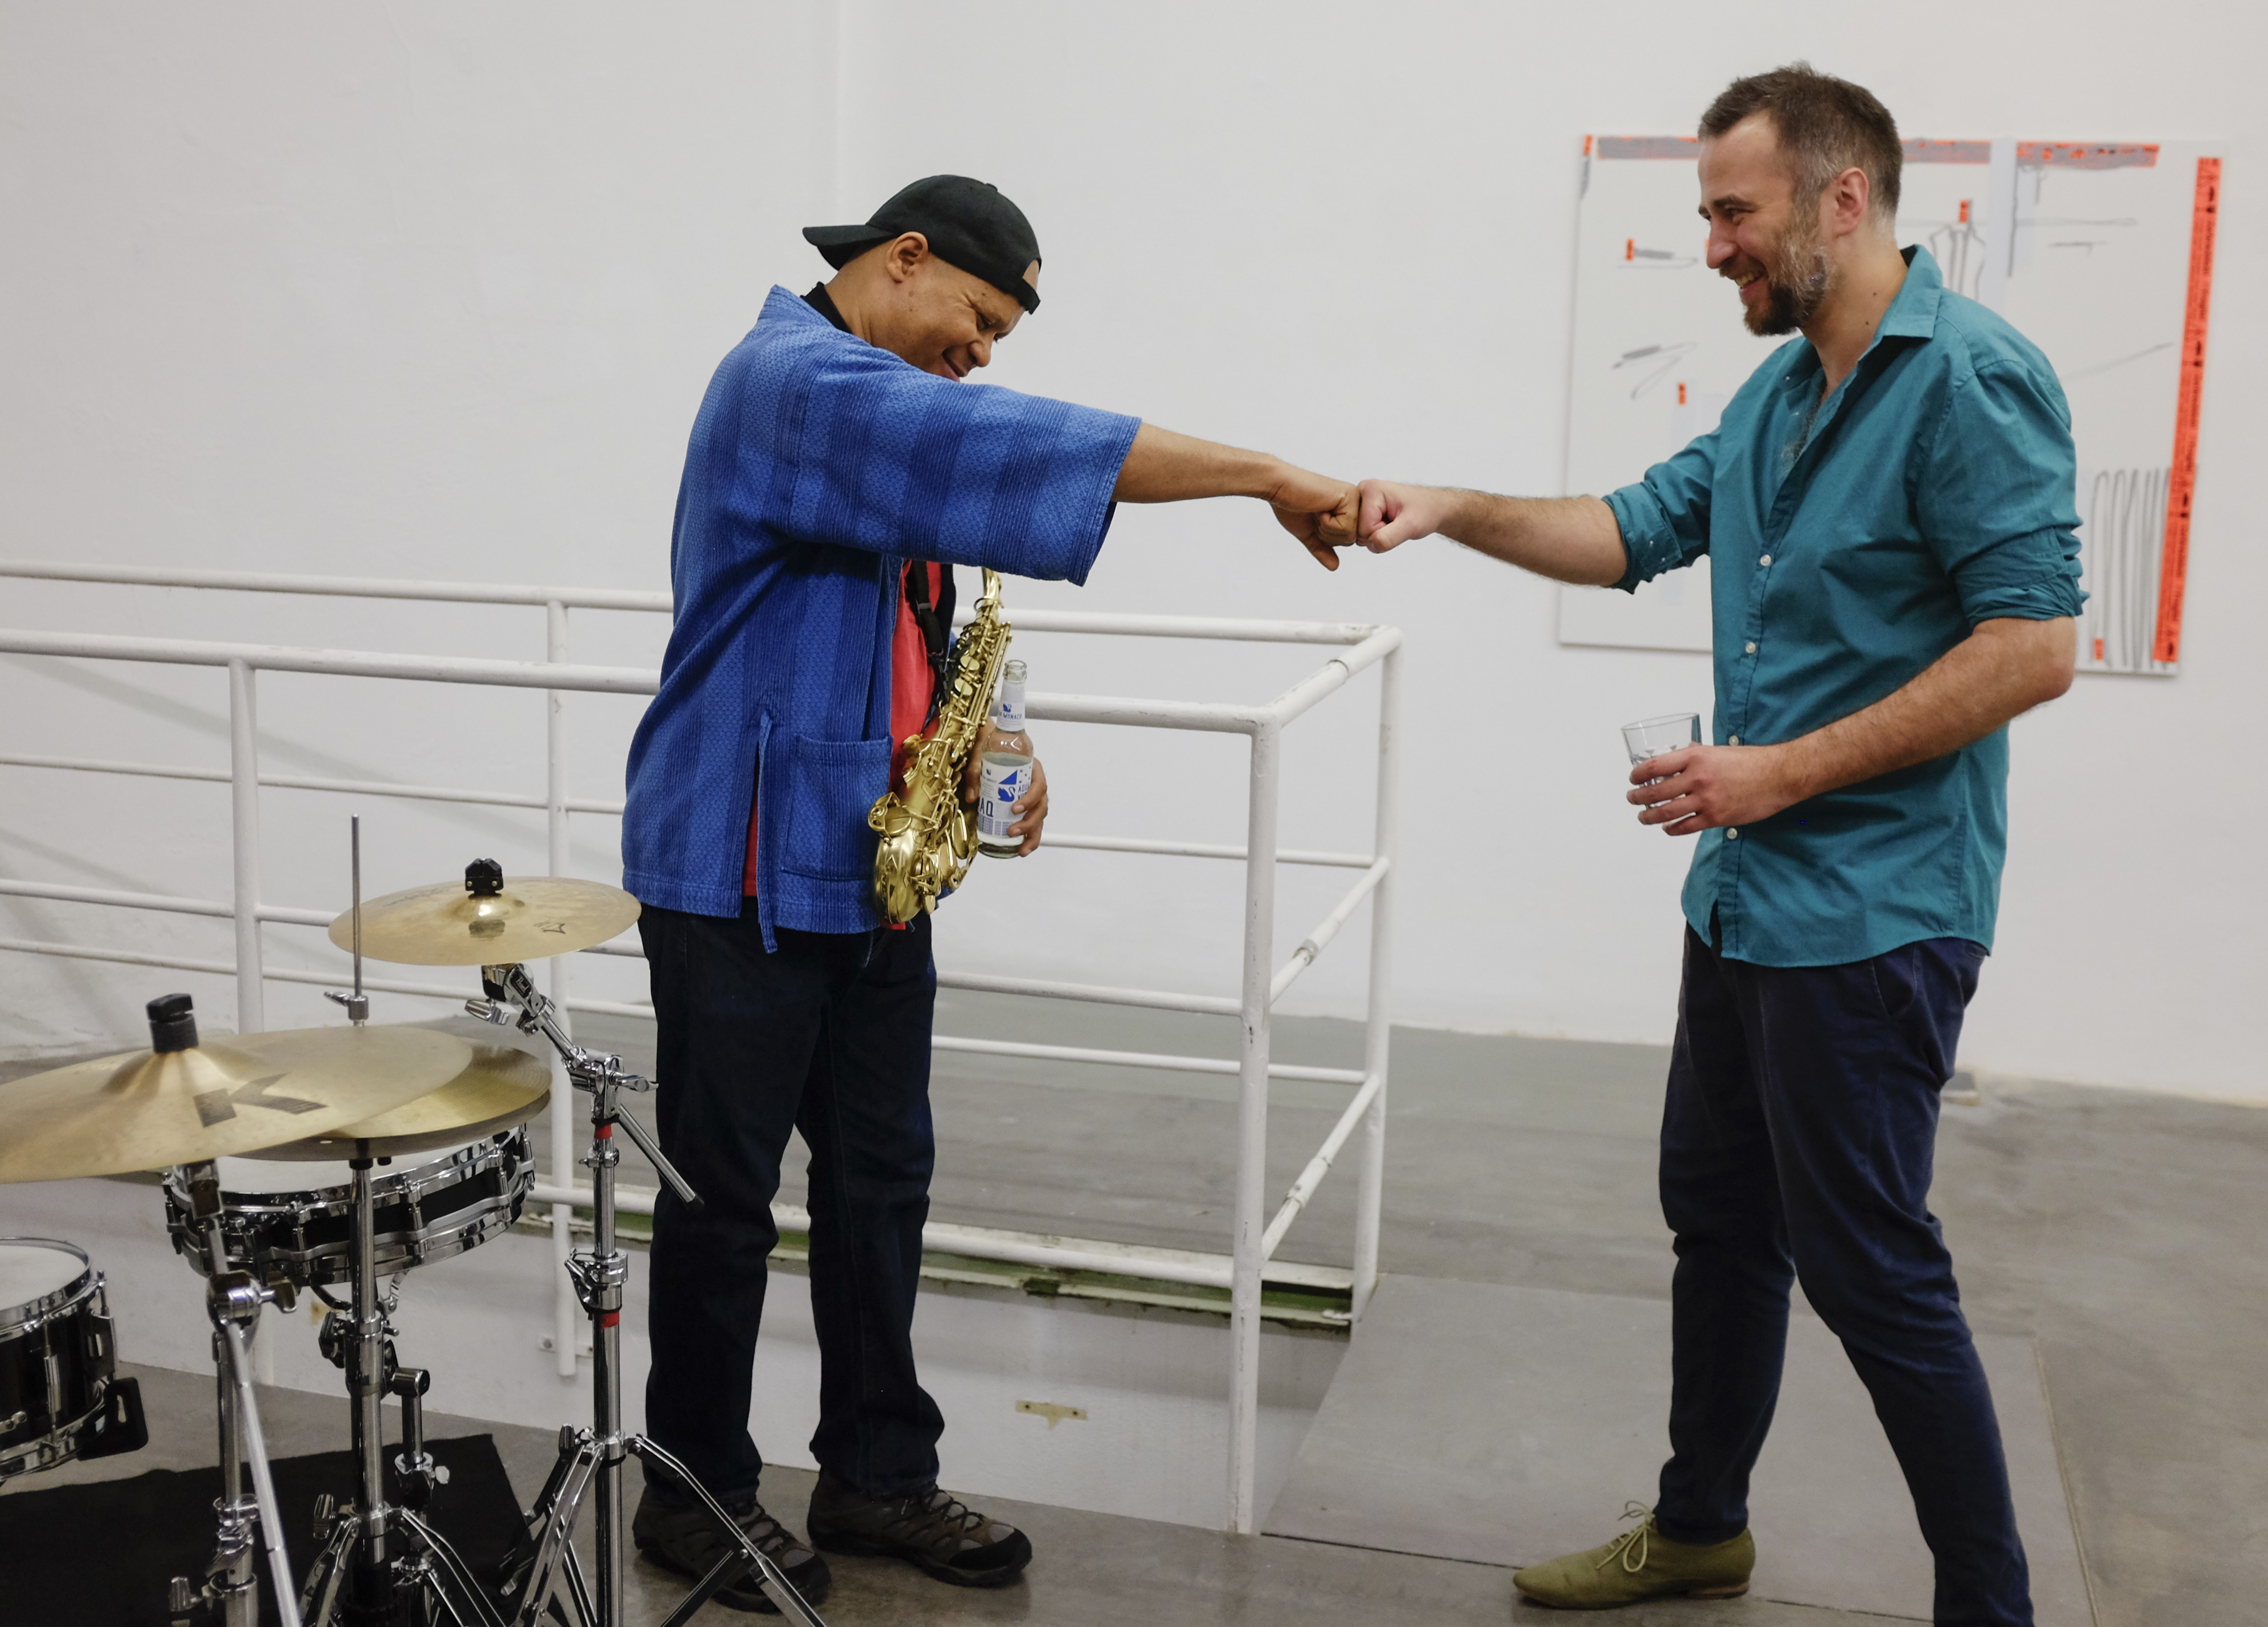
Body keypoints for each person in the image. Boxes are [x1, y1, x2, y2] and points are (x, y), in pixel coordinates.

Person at [1354, 66, 2081, 1625]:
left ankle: (1993, 1605)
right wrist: (1449, 506)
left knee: (1871, 1267)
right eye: (1706, 214)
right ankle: (1700, 1527)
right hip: (1745, 903)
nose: (1712, 247)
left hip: (1875, 914)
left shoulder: (1970, 380)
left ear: (1842, 198)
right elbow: (1630, 529)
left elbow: (2032, 647)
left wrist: (1779, 775)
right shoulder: (1780, 396)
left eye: (1733, 212)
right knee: (1723, 1226)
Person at [617, 174, 1355, 1612]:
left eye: (1000, 337)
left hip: (866, 861)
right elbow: (1022, 442)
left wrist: (968, 747)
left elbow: (893, 620)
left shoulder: (874, 396)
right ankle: (691, 1494)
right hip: (740, 863)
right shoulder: (794, 380)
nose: (981, 351)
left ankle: (876, 1473)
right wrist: (1266, 474)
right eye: (980, 318)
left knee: (883, 1181)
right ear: (904, 259)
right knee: (723, 1204)